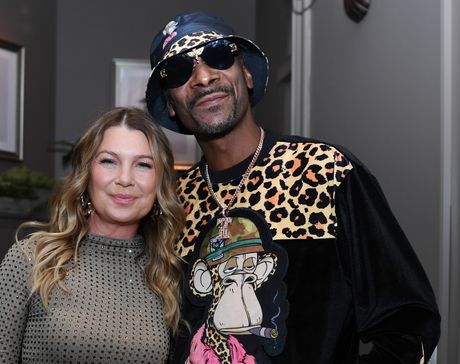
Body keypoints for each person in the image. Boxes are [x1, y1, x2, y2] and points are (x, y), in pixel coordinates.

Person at [145, 12, 441, 364]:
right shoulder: (171, 203)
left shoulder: (326, 171)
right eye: (179, 72)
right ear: (170, 105)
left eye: (219, 56)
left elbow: (407, 322)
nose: (204, 77)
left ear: (248, 75)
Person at [0, 107, 185, 363]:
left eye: (143, 164)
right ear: (86, 174)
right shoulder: (32, 259)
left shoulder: (166, 275)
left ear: (159, 183)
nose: (125, 178)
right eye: (109, 161)